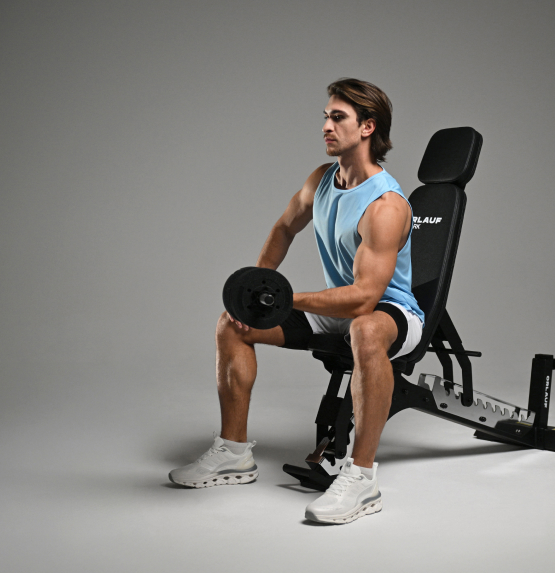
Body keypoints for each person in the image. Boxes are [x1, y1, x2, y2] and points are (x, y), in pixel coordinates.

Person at [169, 78, 424, 525]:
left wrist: (285, 299)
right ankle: (233, 453)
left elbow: (364, 298)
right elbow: (285, 228)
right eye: (326, 117)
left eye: (338, 118)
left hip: (391, 313)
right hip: (337, 313)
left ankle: (362, 478)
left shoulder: (386, 205)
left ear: (367, 127)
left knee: (365, 328)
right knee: (232, 324)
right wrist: (256, 292)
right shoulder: (321, 180)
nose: (326, 126)